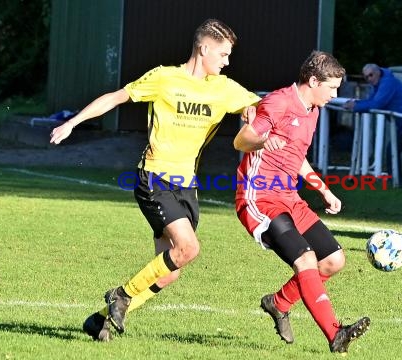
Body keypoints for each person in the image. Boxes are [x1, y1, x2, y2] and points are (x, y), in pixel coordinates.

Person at [50, 18, 260, 341]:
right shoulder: (164, 78)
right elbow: (116, 97)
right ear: (204, 49)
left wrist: (253, 114)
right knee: (188, 249)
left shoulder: (224, 89)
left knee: (170, 272)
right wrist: (73, 122)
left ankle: (101, 320)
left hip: (186, 187)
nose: (227, 61)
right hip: (155, 180)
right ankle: (121, 294)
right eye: (223, 54)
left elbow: (260, 107)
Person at [233, 51, 370, 353]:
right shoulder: (279, 102)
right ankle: (336, 334)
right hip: (260, 197)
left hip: (289, 198)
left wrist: (324, 190)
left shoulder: (313, 109)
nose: (335, 95)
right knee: (306, 259)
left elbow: (297, 157)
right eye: (332, 88)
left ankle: (278, 303)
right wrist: (262, 140)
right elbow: (241, 141)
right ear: (313, 81)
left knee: (334, 261)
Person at [344, 64, 402, 191]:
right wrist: (356, 104)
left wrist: (355, 106)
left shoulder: (387, 83)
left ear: (378, 72)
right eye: (366, 77)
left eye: (371, 75)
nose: (369, 79)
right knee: (392, 151)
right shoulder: (379, 85)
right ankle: (395, 183)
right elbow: (372, 101)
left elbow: (377, 104)